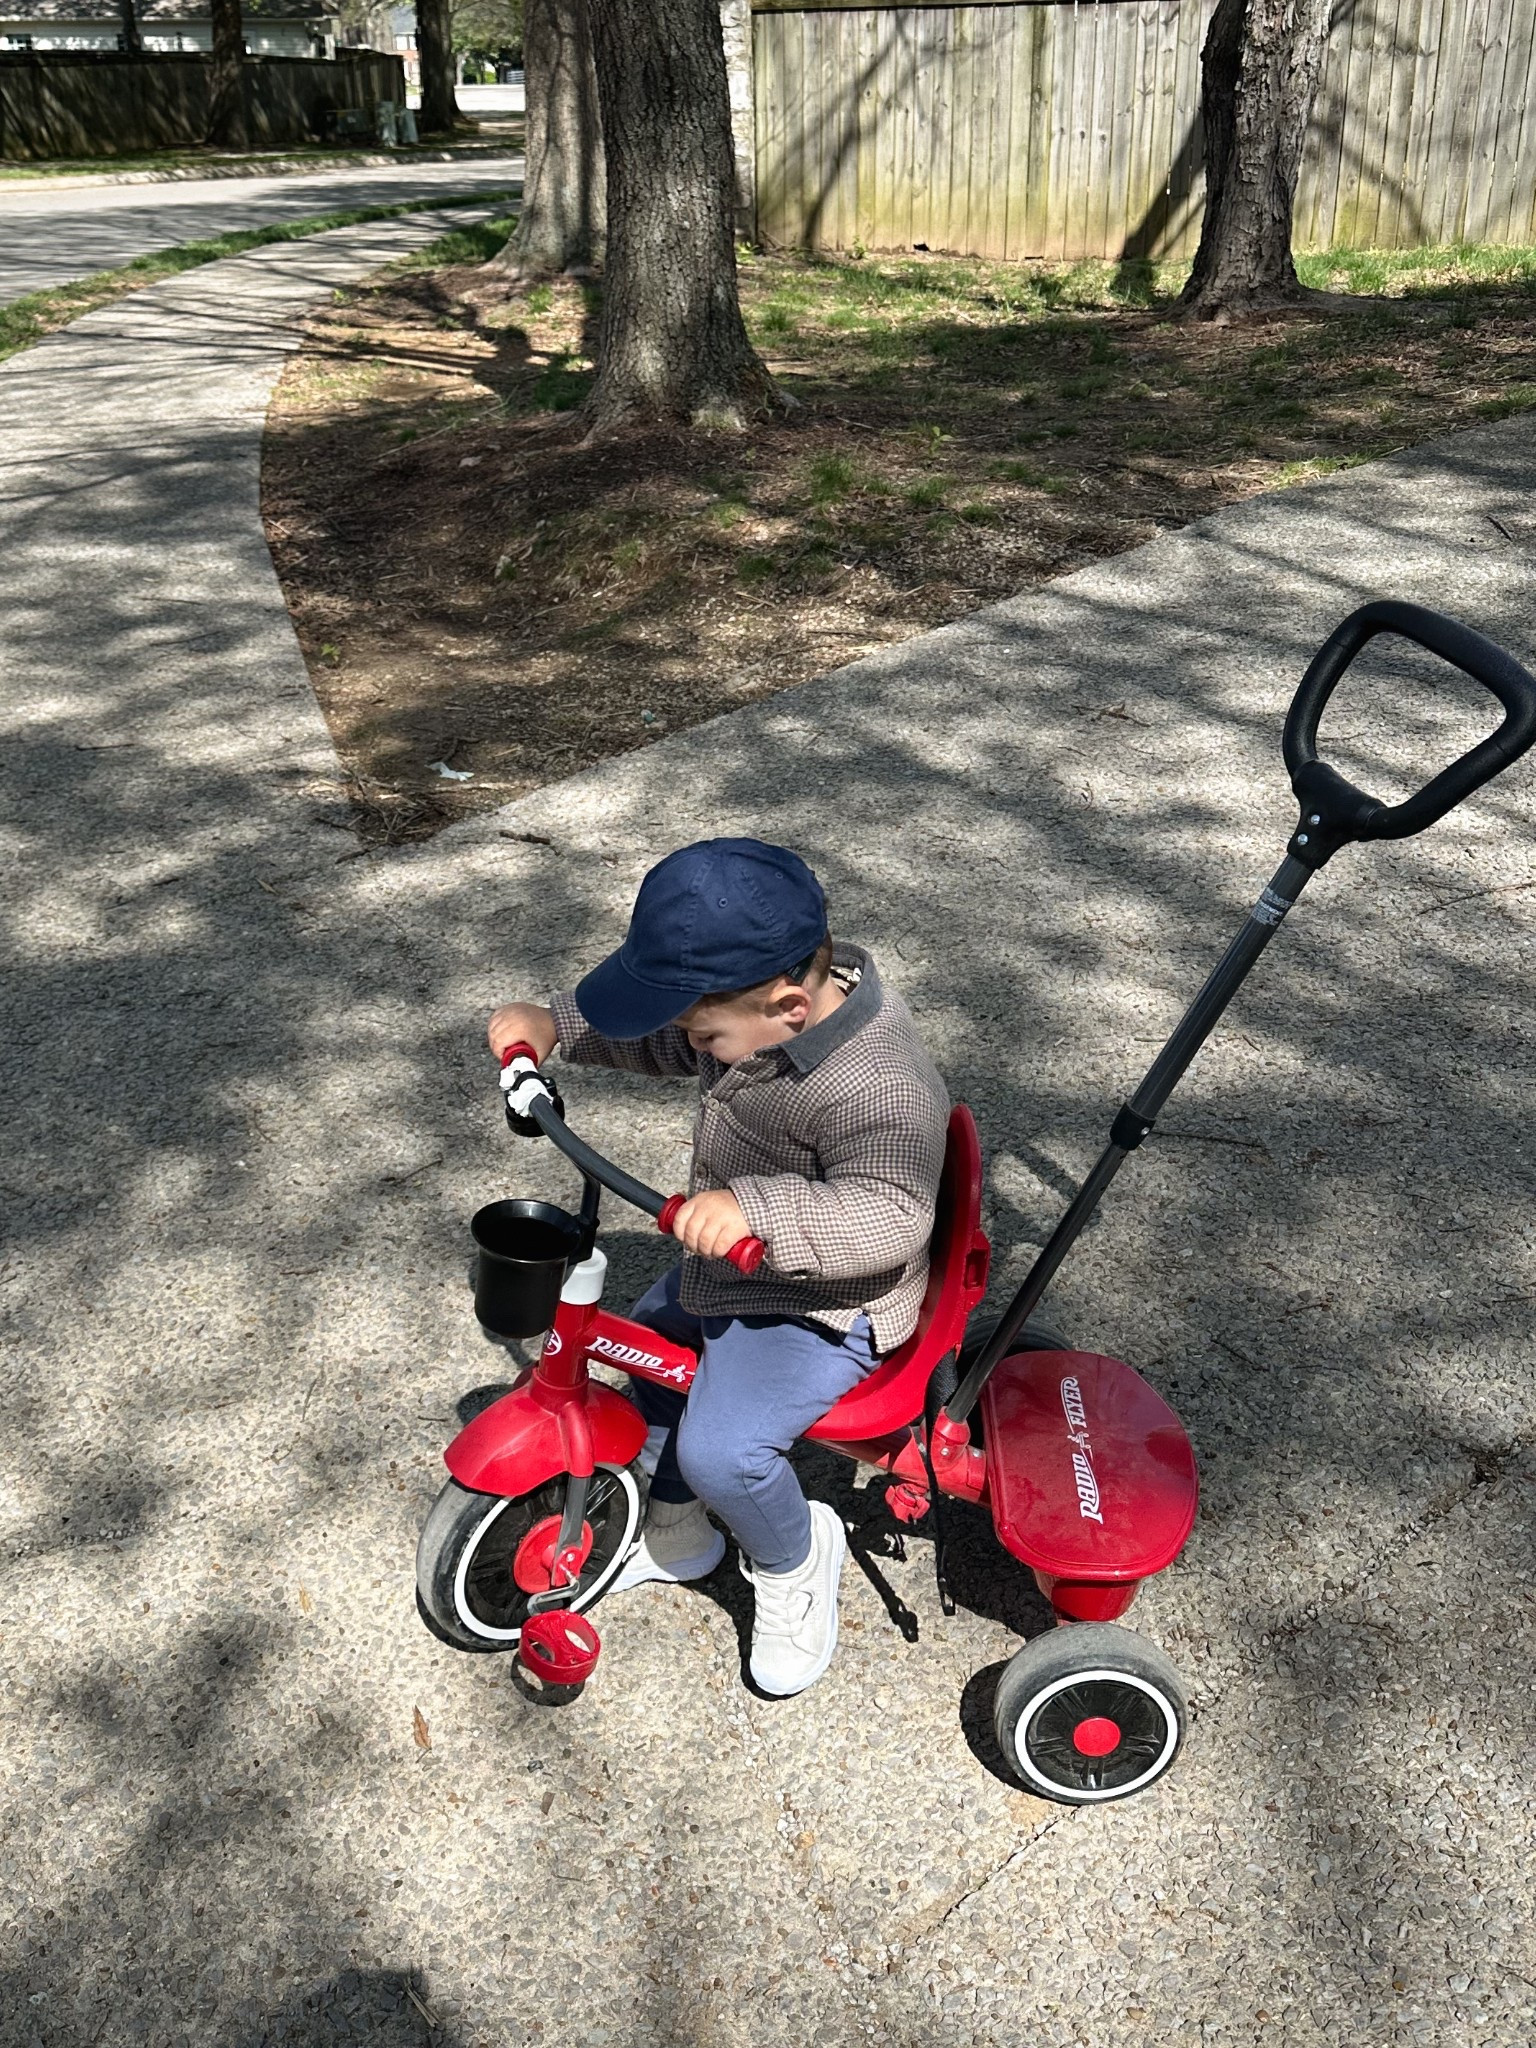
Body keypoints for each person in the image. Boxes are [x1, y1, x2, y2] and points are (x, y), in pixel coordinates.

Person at [487, 837, 948, 1695]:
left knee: (727, 1452)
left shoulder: (877, 1084)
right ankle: (673, 1524)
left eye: (706, 1031)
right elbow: (668, 1040)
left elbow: (890, 1213)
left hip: (827, 1300)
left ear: (788, 1010)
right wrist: (559, 1027)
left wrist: (758, 1209)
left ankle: (794, 1562)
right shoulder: (755, 1014)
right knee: (647, 1354)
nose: (693, 1043)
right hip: (737, 1264)